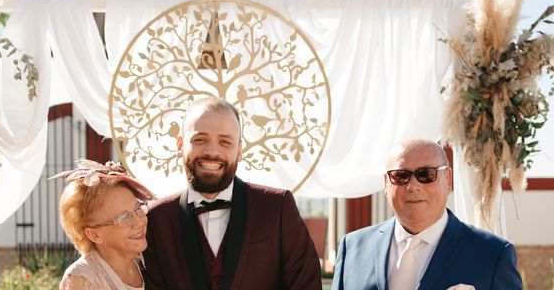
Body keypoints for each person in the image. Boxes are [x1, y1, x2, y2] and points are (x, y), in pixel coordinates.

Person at [143, 96, 321, 290]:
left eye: (225, 142)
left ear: (239, 150)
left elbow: (306, 285)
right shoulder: (156, 218)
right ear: (180, 145)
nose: (211, 151)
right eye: (200, 139)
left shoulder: (278, 207)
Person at [331, 139, 522, 290]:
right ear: (386, 184)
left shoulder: (492, 255)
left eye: (426, 174)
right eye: (400, 175)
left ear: (448, 180)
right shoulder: (353, 249)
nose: (413, 186)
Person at [54, 159, 155, 290]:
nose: (139, 222)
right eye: (124, 217)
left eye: (138, 208)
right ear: (94, 235)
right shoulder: (82, 279)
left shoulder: (146, 265)